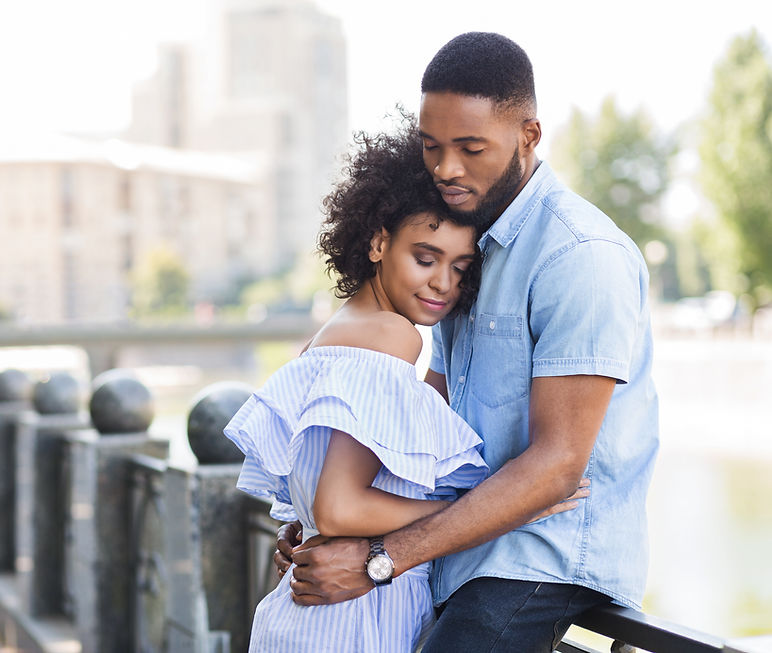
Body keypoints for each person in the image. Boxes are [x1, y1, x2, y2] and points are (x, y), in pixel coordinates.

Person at [276, 32, 660, 653]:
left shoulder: (580, 255)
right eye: (432, 148)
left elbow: (558, 466)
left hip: (542, 563)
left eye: (470, 147)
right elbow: (419, 421)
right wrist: (322, 520)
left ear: (529, 135)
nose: (446, 169)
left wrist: (379, 558)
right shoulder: (466, 249)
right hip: (460, 550)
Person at [223, 121, 586, 652]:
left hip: (312, 616)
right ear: (377, 242)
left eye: (462, 268)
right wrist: (491, 508)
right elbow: (338, 510)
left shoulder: (327, 339)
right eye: (425, 258)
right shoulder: (391, 337)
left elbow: (310, 503)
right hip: (350, 620)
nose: (444, 283)